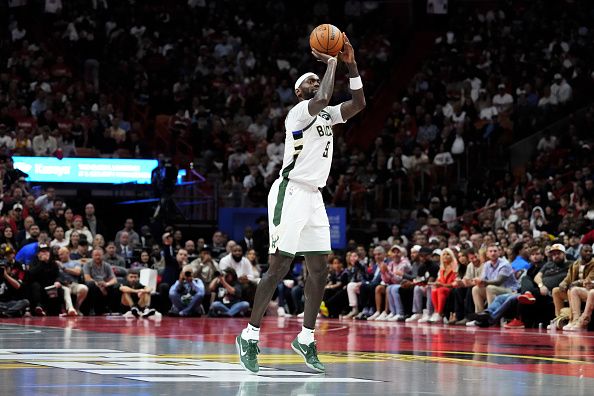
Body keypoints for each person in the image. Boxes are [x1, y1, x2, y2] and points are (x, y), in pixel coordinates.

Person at [236, 34, 366, 373]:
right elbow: (324, 95)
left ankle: (306, 337)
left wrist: (351, 66)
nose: (315, 81)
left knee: (320, 269)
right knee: (278, 267)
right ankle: (249, 335)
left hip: (314, 196)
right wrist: (332, 62)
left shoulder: (326, 116)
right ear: (299, 92)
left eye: (316, 77)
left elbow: (358, 104)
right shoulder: (298, 113)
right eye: (309, 79)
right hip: (289, 192)